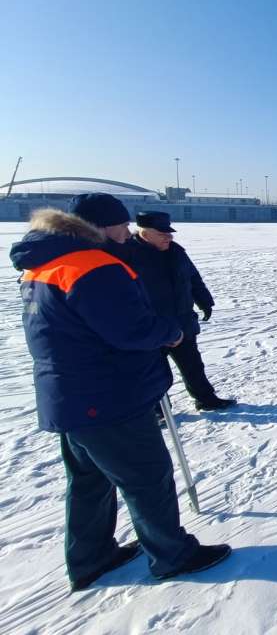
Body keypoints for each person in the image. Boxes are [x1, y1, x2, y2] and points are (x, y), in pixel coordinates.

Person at [9, 202, 230, 590]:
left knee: (90, 480)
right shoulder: (93, 265)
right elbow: (131, 328)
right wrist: (170, 332)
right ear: (99, 228)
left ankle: (91, 556)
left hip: (69, 393)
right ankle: (172, 555)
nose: (127, 232)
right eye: (121, 225)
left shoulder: (45, 262)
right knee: (146, 476)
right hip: (108, 394)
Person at [127, 211, 235, 411]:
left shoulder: (176, 251)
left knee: (193, 366)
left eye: (169, 233)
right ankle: (158, 411)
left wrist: (204, 300)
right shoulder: (129, 255)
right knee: (154, 372)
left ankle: (206, 399)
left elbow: (193, 277)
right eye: (163, 234)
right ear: (145, 233)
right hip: (152, 327)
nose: (169, 237)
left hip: (181, 322)